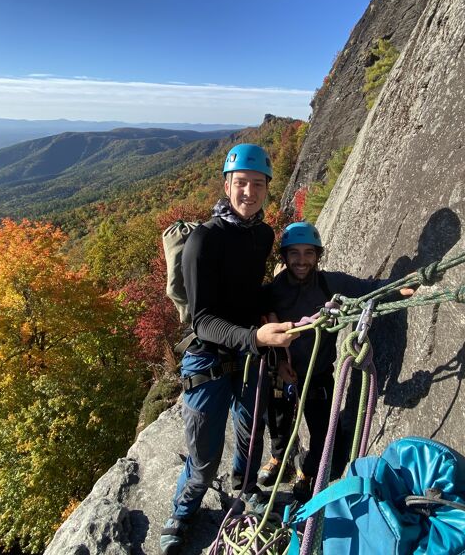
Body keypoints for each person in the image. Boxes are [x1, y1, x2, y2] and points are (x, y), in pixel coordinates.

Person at [160, 144, 295, 555]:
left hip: (247, 352)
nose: (249, 193)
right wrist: (255, 338)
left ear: (268, 189)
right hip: (208, 355)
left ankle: (245, 489)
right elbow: (202, 319)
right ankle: (183, 511)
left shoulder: (263, 234)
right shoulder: (205, 240)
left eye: (258, 184)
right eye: (241, 184)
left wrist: (267, 314)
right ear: (226, 185)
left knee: (250, 435)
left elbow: (249, 292)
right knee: (203, 461)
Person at [259, 222, 413, 501]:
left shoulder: (331, 284)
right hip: (285, 370)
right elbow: (264, 321)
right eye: (294, 253)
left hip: (318, 373)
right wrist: (280, 361)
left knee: (321, 429)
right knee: (278, 420)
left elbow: (369, 289)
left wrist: (399, 287)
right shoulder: (273, 291)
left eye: (309, 253)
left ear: (318, 255)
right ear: (284, 256)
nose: (302, 260)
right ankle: (279, 457)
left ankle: (306, 471)